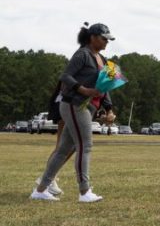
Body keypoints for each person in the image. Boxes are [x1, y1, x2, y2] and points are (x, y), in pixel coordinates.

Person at [30, 23, 117, 203]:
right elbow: (65, 76)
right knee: (85, 146)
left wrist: (109, 109)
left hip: (89, 107)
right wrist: (83, 90)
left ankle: (40, 190)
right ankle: (85, 192)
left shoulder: (103, 59)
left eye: (108, 39)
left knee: (63, 150)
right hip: (74, 105)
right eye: (104, 38)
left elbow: (105, 87)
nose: (107, 42)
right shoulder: (83, 54)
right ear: (92, 37)